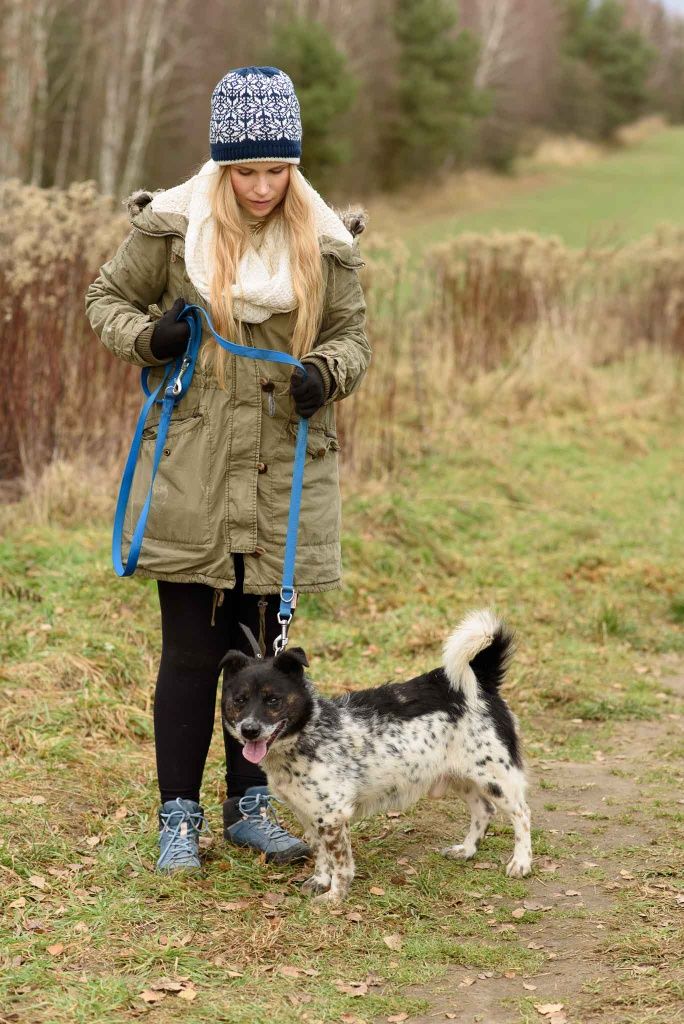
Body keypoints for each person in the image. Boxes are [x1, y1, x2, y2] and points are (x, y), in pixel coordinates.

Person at [85, 66, 370, 873]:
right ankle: (179, 818)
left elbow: (355, 338)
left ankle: (248, 808)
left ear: (294, 166)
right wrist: (154, 339)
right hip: (193, 475)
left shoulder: (326, 244)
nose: (260, 187)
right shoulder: (170, 230)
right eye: (245, 171)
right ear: (222, 166)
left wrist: (326, 371)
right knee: (188, 654)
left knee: (260, 654)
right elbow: (106, 300)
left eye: (275, 170)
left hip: (284, 475)